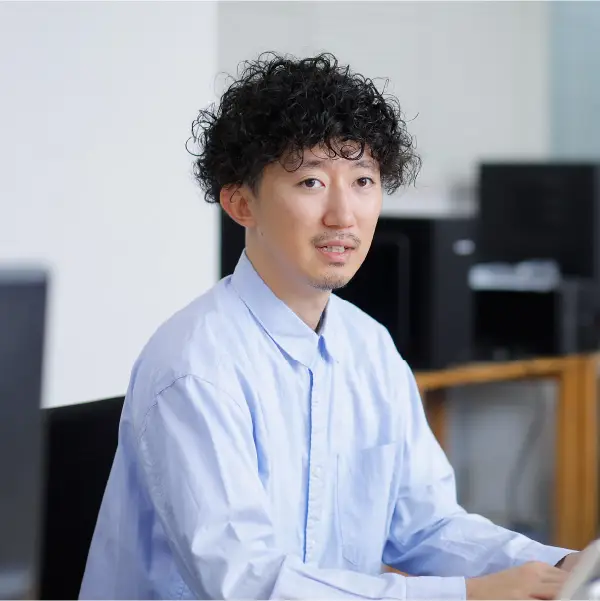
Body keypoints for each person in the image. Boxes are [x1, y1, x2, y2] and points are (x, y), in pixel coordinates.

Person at [80, 52, 580, 600]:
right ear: (241, 203)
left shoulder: (370, 346)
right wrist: (467, 595)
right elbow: (245, 584)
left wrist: (561, 566)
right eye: (312, 182)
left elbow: (426, 525)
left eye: (363, 180)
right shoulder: (196, 366)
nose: (343, 216)